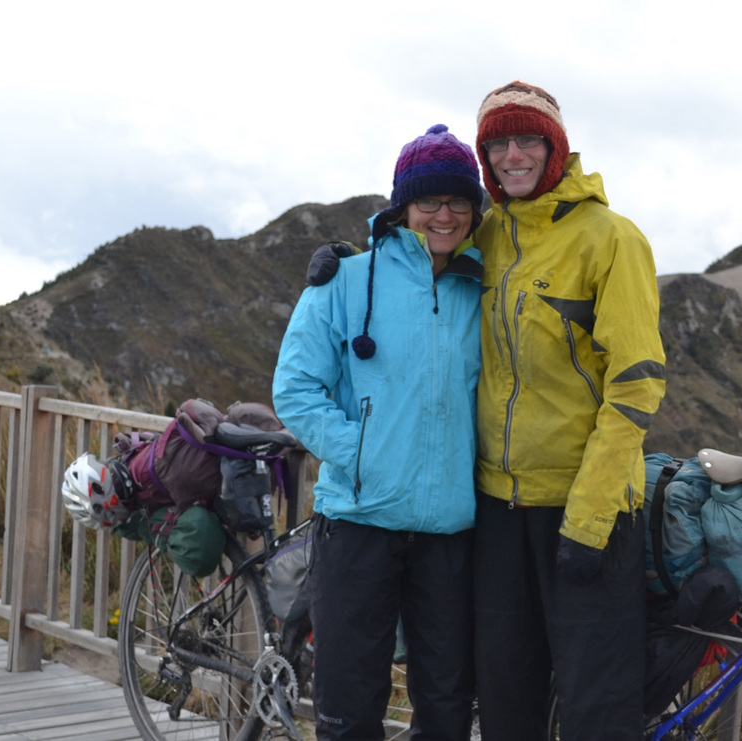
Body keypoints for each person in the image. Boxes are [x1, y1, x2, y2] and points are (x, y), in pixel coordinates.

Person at [273, 123, 484, 741]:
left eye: (458, 202)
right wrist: (360, 454)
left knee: (447, 704)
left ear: (474, 210)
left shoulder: (484, 289)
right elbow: (295, 388)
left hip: (450, 532)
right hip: (359, 523)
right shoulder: (344, 281)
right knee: (349, 702)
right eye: (429, 202)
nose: (443, 216)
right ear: (402, 208)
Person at [471, 81, 667, 741]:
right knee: (505, 701)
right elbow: (423, 253)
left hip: (589, 512)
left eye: (528, 139)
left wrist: (588, 519)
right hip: (499, 511)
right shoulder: (488, 232)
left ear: (555, 147)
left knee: (596, 709)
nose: (512, 155)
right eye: (498, 142)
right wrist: (358, 260)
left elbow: (636, 385)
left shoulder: (611, 238)